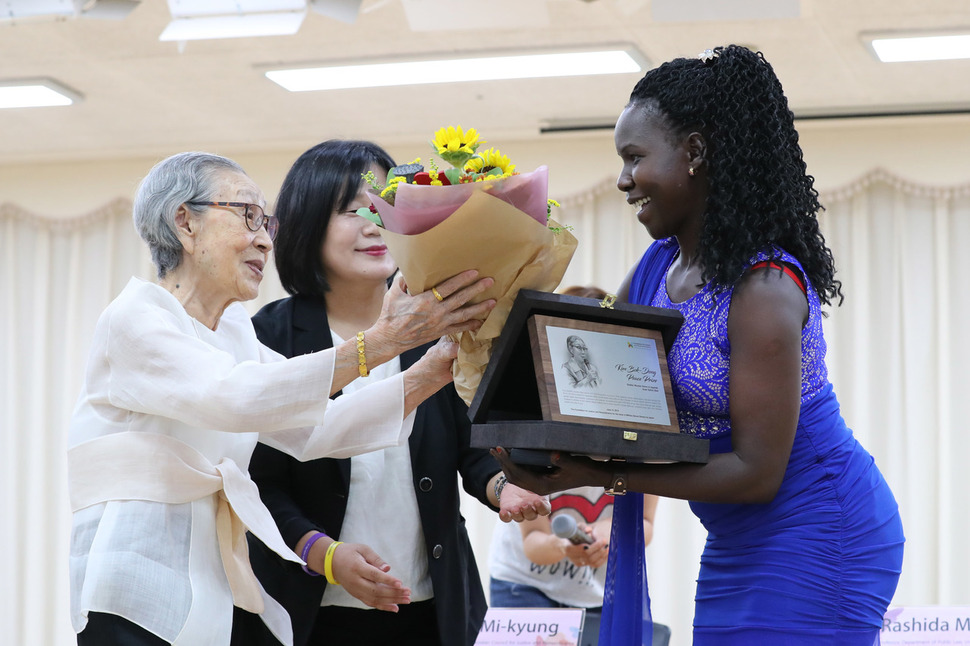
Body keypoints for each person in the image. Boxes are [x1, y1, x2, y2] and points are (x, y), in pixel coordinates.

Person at [493, 45, 904, 645]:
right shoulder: (659, 266)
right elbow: (606, 382)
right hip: (738, 534)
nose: (623, 179)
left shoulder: (764, 287)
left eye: (635, 157)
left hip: (822, 529)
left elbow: (757, 472)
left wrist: (601, 477)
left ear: (694, 153)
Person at [67, 151, 497, 646]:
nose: (264, 238)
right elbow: (236, 399)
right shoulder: (135, 318)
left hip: (215, 589)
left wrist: (428, 372)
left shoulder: (232, 333)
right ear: (184, 222)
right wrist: (386, 341)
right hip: (135, 589)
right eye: (248, 215)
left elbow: (318, 429)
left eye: (265, 221)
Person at [227, 140, 550, 646]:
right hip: (309, 614)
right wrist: (322, 552)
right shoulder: (268, 338)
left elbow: (470, 444)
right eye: (351, 208)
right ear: (308, 224)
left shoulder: (433, 321)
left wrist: (502, 488)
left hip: (433, 608)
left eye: (384, 205)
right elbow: (256, 482)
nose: (373, 222)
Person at [489, 488, 656, 611]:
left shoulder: (646, 443)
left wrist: (613, 530)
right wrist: (562, 546)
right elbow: (533, 537)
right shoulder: (532, 444)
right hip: (525, 584)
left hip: (609, 590)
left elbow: (645, 522)